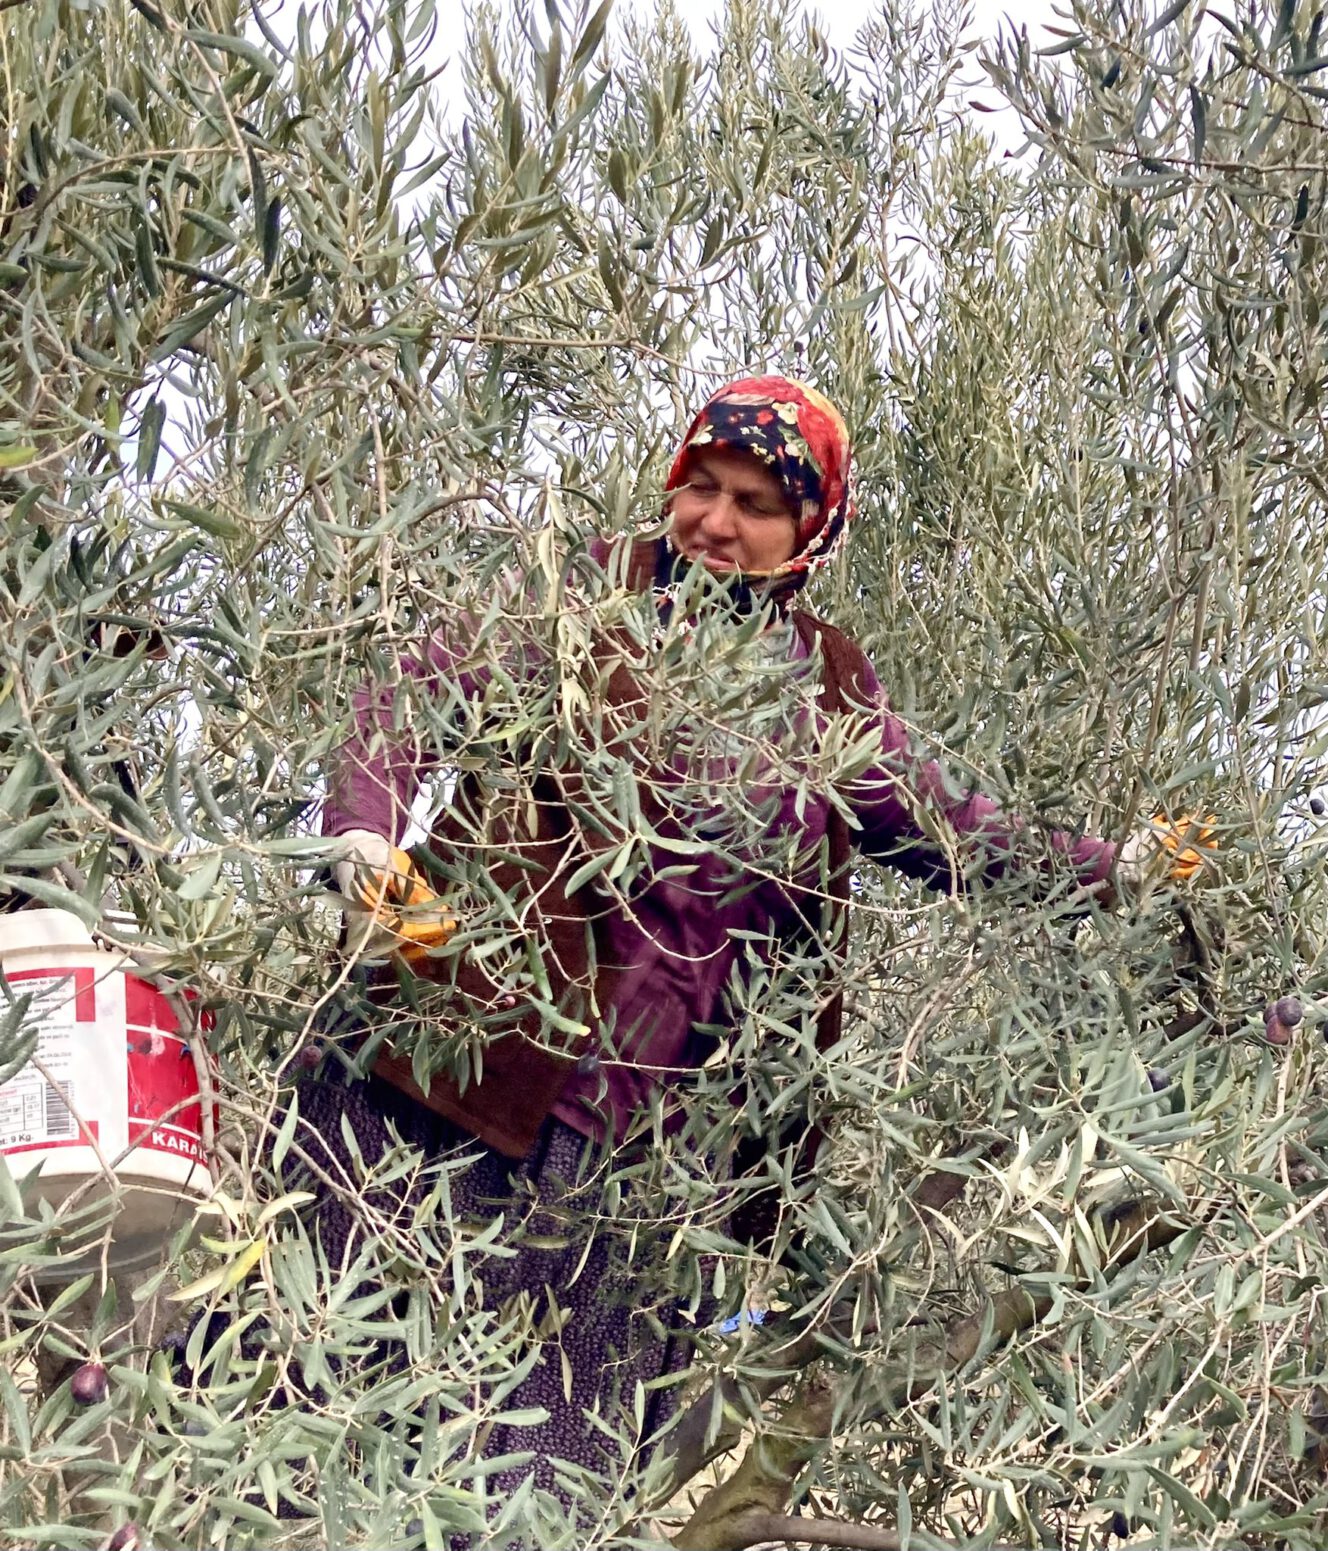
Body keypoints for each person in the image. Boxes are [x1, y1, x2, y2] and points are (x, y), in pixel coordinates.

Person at [307, 375, 1202, 1538]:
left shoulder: (828, 688)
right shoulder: (581, 597)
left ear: (808, 532)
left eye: (752, 504)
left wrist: (1116, 870)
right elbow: (405, 701)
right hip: (448, 1084)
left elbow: (950, 829)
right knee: (322, 1403)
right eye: (699, 487)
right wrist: (365, 837)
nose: (713, 524)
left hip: (645, 1169)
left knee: (533, 1494)